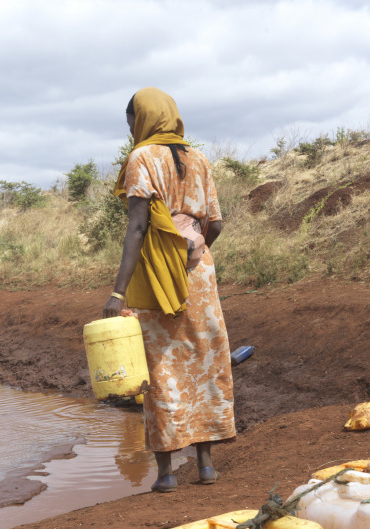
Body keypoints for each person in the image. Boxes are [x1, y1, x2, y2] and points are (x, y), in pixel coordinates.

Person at [103, 87, 236, 493]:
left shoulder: (141, 157)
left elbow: (139, 227)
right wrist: (192, 254)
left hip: (158, 278)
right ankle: (207, 465)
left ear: (141, 120)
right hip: (199, 275)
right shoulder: (199, 159)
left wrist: (118, 292)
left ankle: (165, 474)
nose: (130, 132)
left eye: (131, 123)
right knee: (204, 362)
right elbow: (214, 223)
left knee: (161, 370)